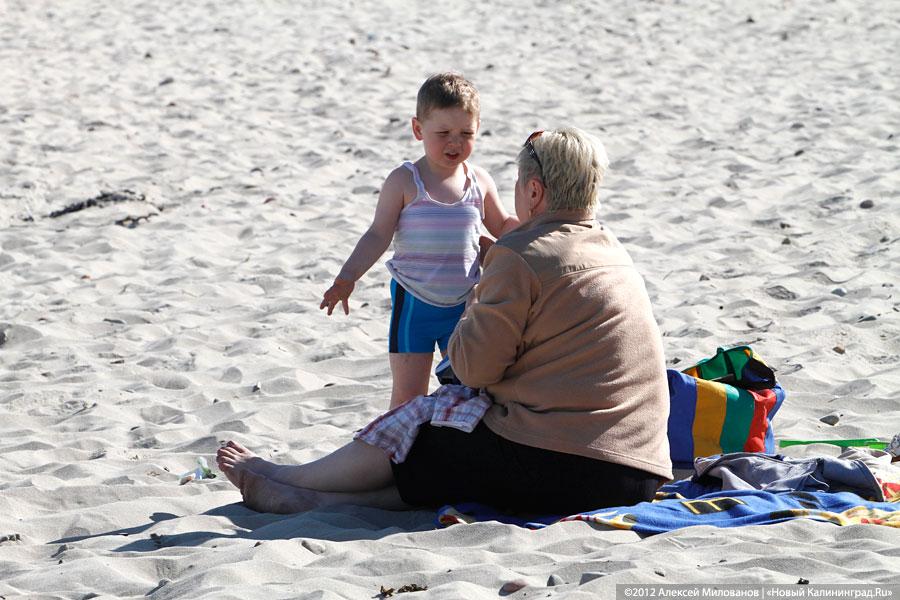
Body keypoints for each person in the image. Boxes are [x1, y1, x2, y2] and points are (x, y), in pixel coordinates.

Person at [219, 127, 673, 516]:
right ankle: (319, 502)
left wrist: (479, 295)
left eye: (520, 185)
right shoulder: (613, 249)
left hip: (564, 465)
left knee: (427, 425)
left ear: (534, 192)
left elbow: (475, 369)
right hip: (638, 472)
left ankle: (292, 477)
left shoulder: (521, 255)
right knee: (447, 458)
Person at [319, 73, 519, 409]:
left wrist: (543, 230)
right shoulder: (404, 181)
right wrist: (346, 277)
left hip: (465, 306)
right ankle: (394, 457)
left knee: (468, 391)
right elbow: (377, 234)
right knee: (409, 397)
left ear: (478, 128)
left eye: (466, 133)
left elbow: (504, 226)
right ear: (418, 130)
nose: (454, 143)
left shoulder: (479, 181)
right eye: (443, 134)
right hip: (414, 303)